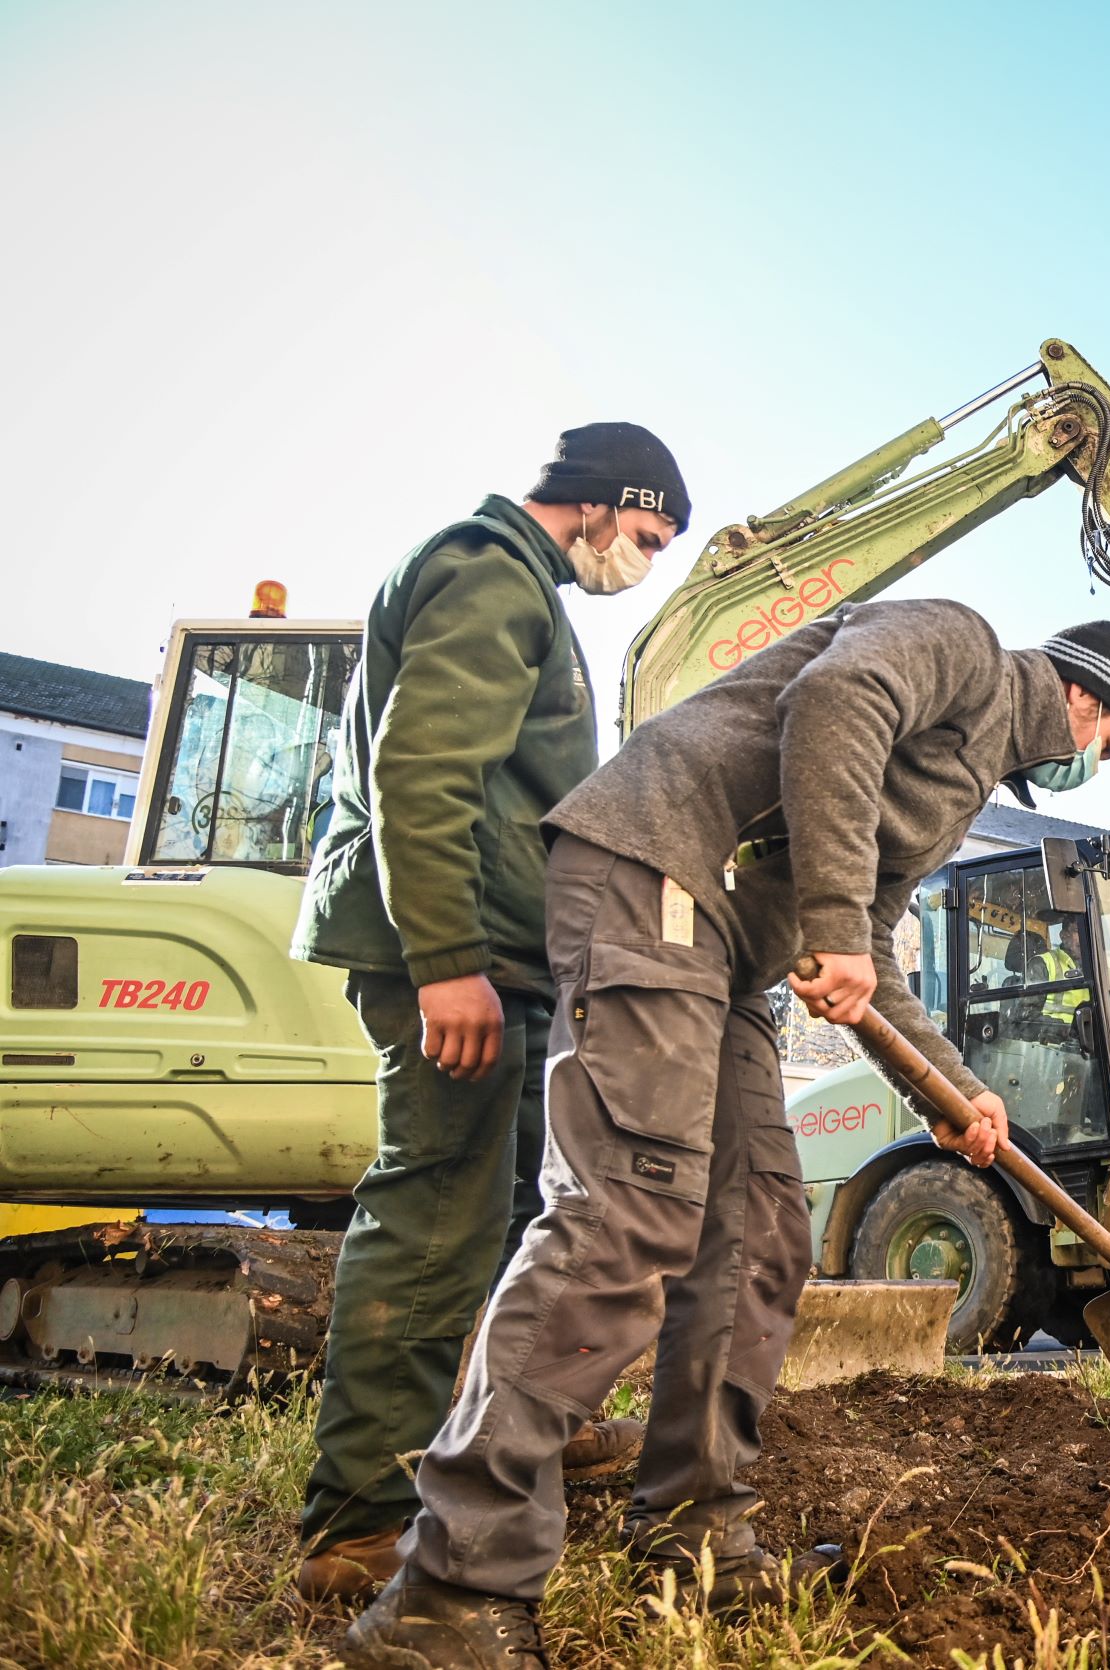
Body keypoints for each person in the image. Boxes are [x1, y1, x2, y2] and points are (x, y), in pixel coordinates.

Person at [343, 607, 1110, 1669]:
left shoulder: (959, 785)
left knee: (763, 1234)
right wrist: (823, 918)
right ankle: (450, 1585)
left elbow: (864, 942)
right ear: (1086, 701)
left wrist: (955, 1094)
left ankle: (693, 1533)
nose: (1088, 763)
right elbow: (833, 700)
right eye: (1108, 746)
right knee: (630, 1208)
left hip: (725, 958)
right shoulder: (959, 646)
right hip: (654, 873)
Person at [290, 423, 690, 1603]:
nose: (649, 561)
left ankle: (504, 1429)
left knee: (522, 1213)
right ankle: (358, 1519)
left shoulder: (527, 592)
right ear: (604, 504)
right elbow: (422, 769)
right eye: (651, 536)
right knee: (435, 1217)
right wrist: (446, 961)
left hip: (505, 961)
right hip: (453, 958)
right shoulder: (487, 570)